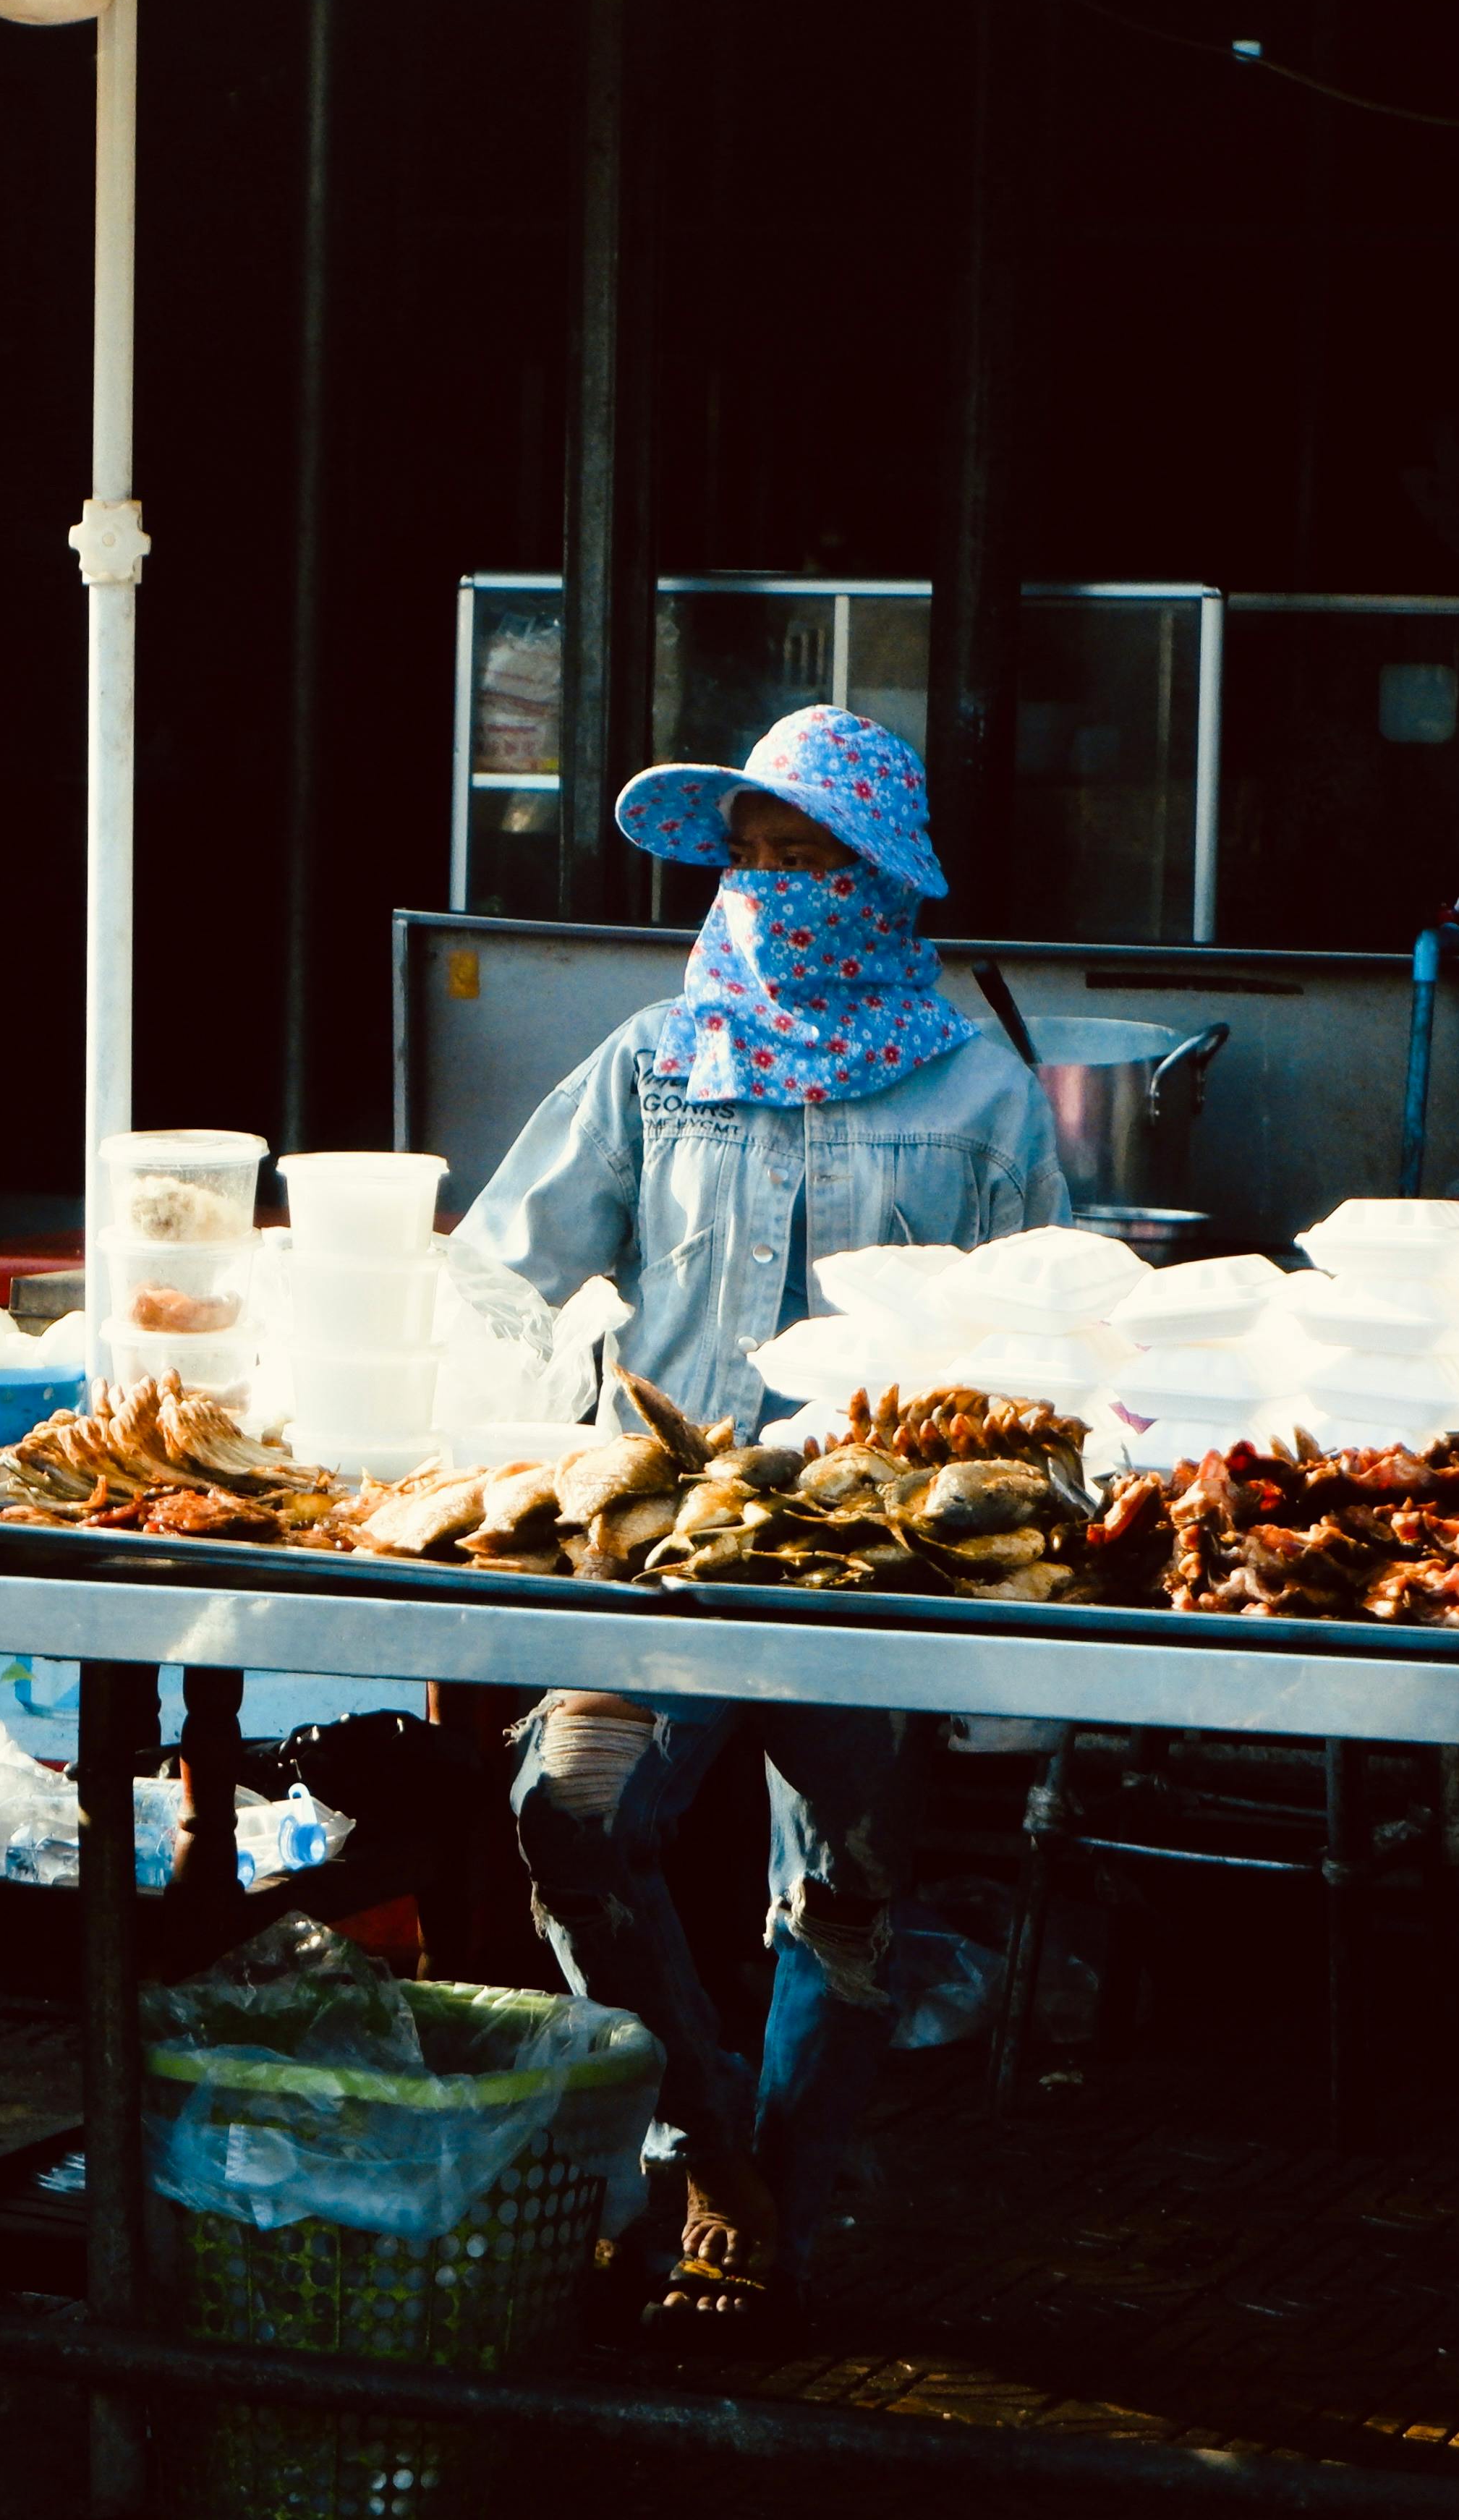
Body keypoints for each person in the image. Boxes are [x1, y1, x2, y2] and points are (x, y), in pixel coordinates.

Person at [453, 703, 1067, 2348]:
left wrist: (1011, 1663)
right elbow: (496, 1271)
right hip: (657, 1552)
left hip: (867, 1570)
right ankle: (710, 2156)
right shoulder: (654, 1060)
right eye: (750, 853)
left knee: (844, 1889)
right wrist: (510, 1426)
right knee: (570, 1813)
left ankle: (769, 2205)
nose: (773, 886)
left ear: (886, 883)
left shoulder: (982, 1091)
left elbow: (1044, 1365)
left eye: (812, 859)